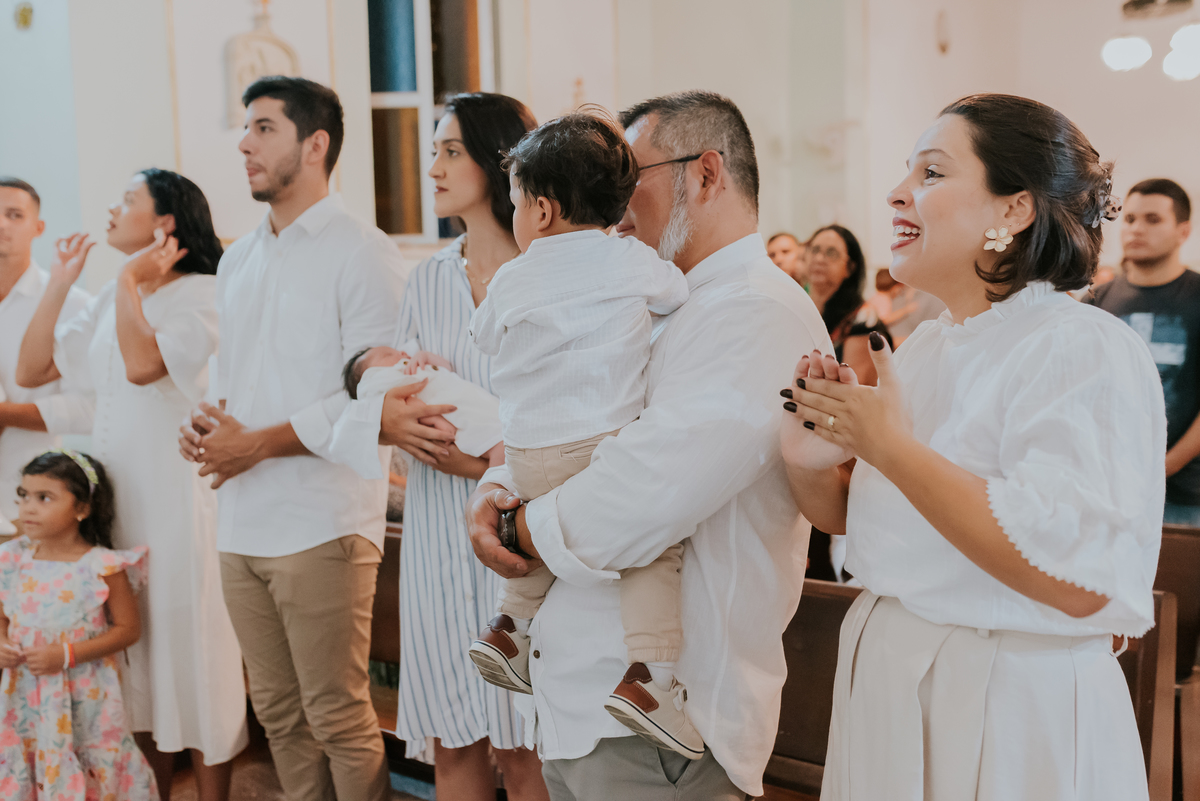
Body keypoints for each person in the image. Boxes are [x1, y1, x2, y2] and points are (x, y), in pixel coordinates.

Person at [783, 93, 1159, 800]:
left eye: (931, 173)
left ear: (1013, 210)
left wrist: (890, 448)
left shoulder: (1079, 345)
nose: (897, 193)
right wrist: (812, 462)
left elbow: (1075, 576)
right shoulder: (930, 347)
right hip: (894, 678)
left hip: (1002, 697)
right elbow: (870, 522)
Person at [465, 90, 829, 801]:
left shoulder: (755, 309)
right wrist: (494, 489)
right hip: (579, 702)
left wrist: (515, 523)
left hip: (664, 731)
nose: (614, 201)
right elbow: (562, 413)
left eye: (634, 175)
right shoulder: (645, 295)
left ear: (706, 173)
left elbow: (639, 497)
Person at [177, 76, 403, 801]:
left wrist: (259, 443)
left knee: (337, 714)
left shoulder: (362, 250)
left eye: (264, 128)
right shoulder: (240, 257)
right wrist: (208, 423)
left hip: (322, 518)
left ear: (316, 144)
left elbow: (372, 397)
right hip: (242, 517)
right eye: (246, 128)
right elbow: (238, 378)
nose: (244, 143)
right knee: (278, 714)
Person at [324, 92, 548, 801]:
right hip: (434, 528)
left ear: (499, 158)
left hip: (520, 521)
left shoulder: (545, 277)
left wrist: (485, 458)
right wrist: (398, 419)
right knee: (455, 733)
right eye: (433, 151)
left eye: (451, 150)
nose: (434, 167)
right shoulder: (425, 278)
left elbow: (563, 408)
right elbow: (395, 389)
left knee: (525, 743)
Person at [462, 110, 697, 757]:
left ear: (539, 210)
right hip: (602, 446)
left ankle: (509, 627)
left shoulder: (514, 276)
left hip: (529, 452)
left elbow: (481, 337)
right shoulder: (629, 260)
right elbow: (679, 292)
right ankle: (649, 675)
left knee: (531, 522)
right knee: (654, 546)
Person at [16, 169, 247, 800]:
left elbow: (147, 367)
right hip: (116, 502)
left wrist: (127, 282)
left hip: (177, 500)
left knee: (195, 651)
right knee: (132, 663)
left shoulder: (205, 292)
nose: (112, 210)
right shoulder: (105, 298)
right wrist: (64, 282)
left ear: (165, 223)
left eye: (128, 202)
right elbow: (32, 369)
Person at [0, 450, 158, 799]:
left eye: (44, 498)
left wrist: (67, 654)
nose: (27, 507)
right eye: (23, 496)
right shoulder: (12, 557)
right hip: (25, 696)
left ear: (82, 508)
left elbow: (128, 630)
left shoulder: (101, 566)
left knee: (90, 763)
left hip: (85, 696)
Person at [1087, 179, 1197, 525]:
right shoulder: (1095, 301)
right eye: (1130, 219)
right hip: (1105, 488)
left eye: (1152, 219)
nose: (1136, 229)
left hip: (1183, 497)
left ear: (1183, 231)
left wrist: (1163, 466)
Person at [0, 178, 93, 530]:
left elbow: (89, 408)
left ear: (37, 228)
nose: (1, 224)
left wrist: (5, 415)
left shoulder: (74, 306)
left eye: (14, 214)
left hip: (33, 507)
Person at [805, 224, 891, 386]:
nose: (819, 259)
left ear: (850, 267)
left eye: (831, 253)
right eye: (814, 250)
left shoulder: (863, 320)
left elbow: (854, 391)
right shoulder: (802, 309)